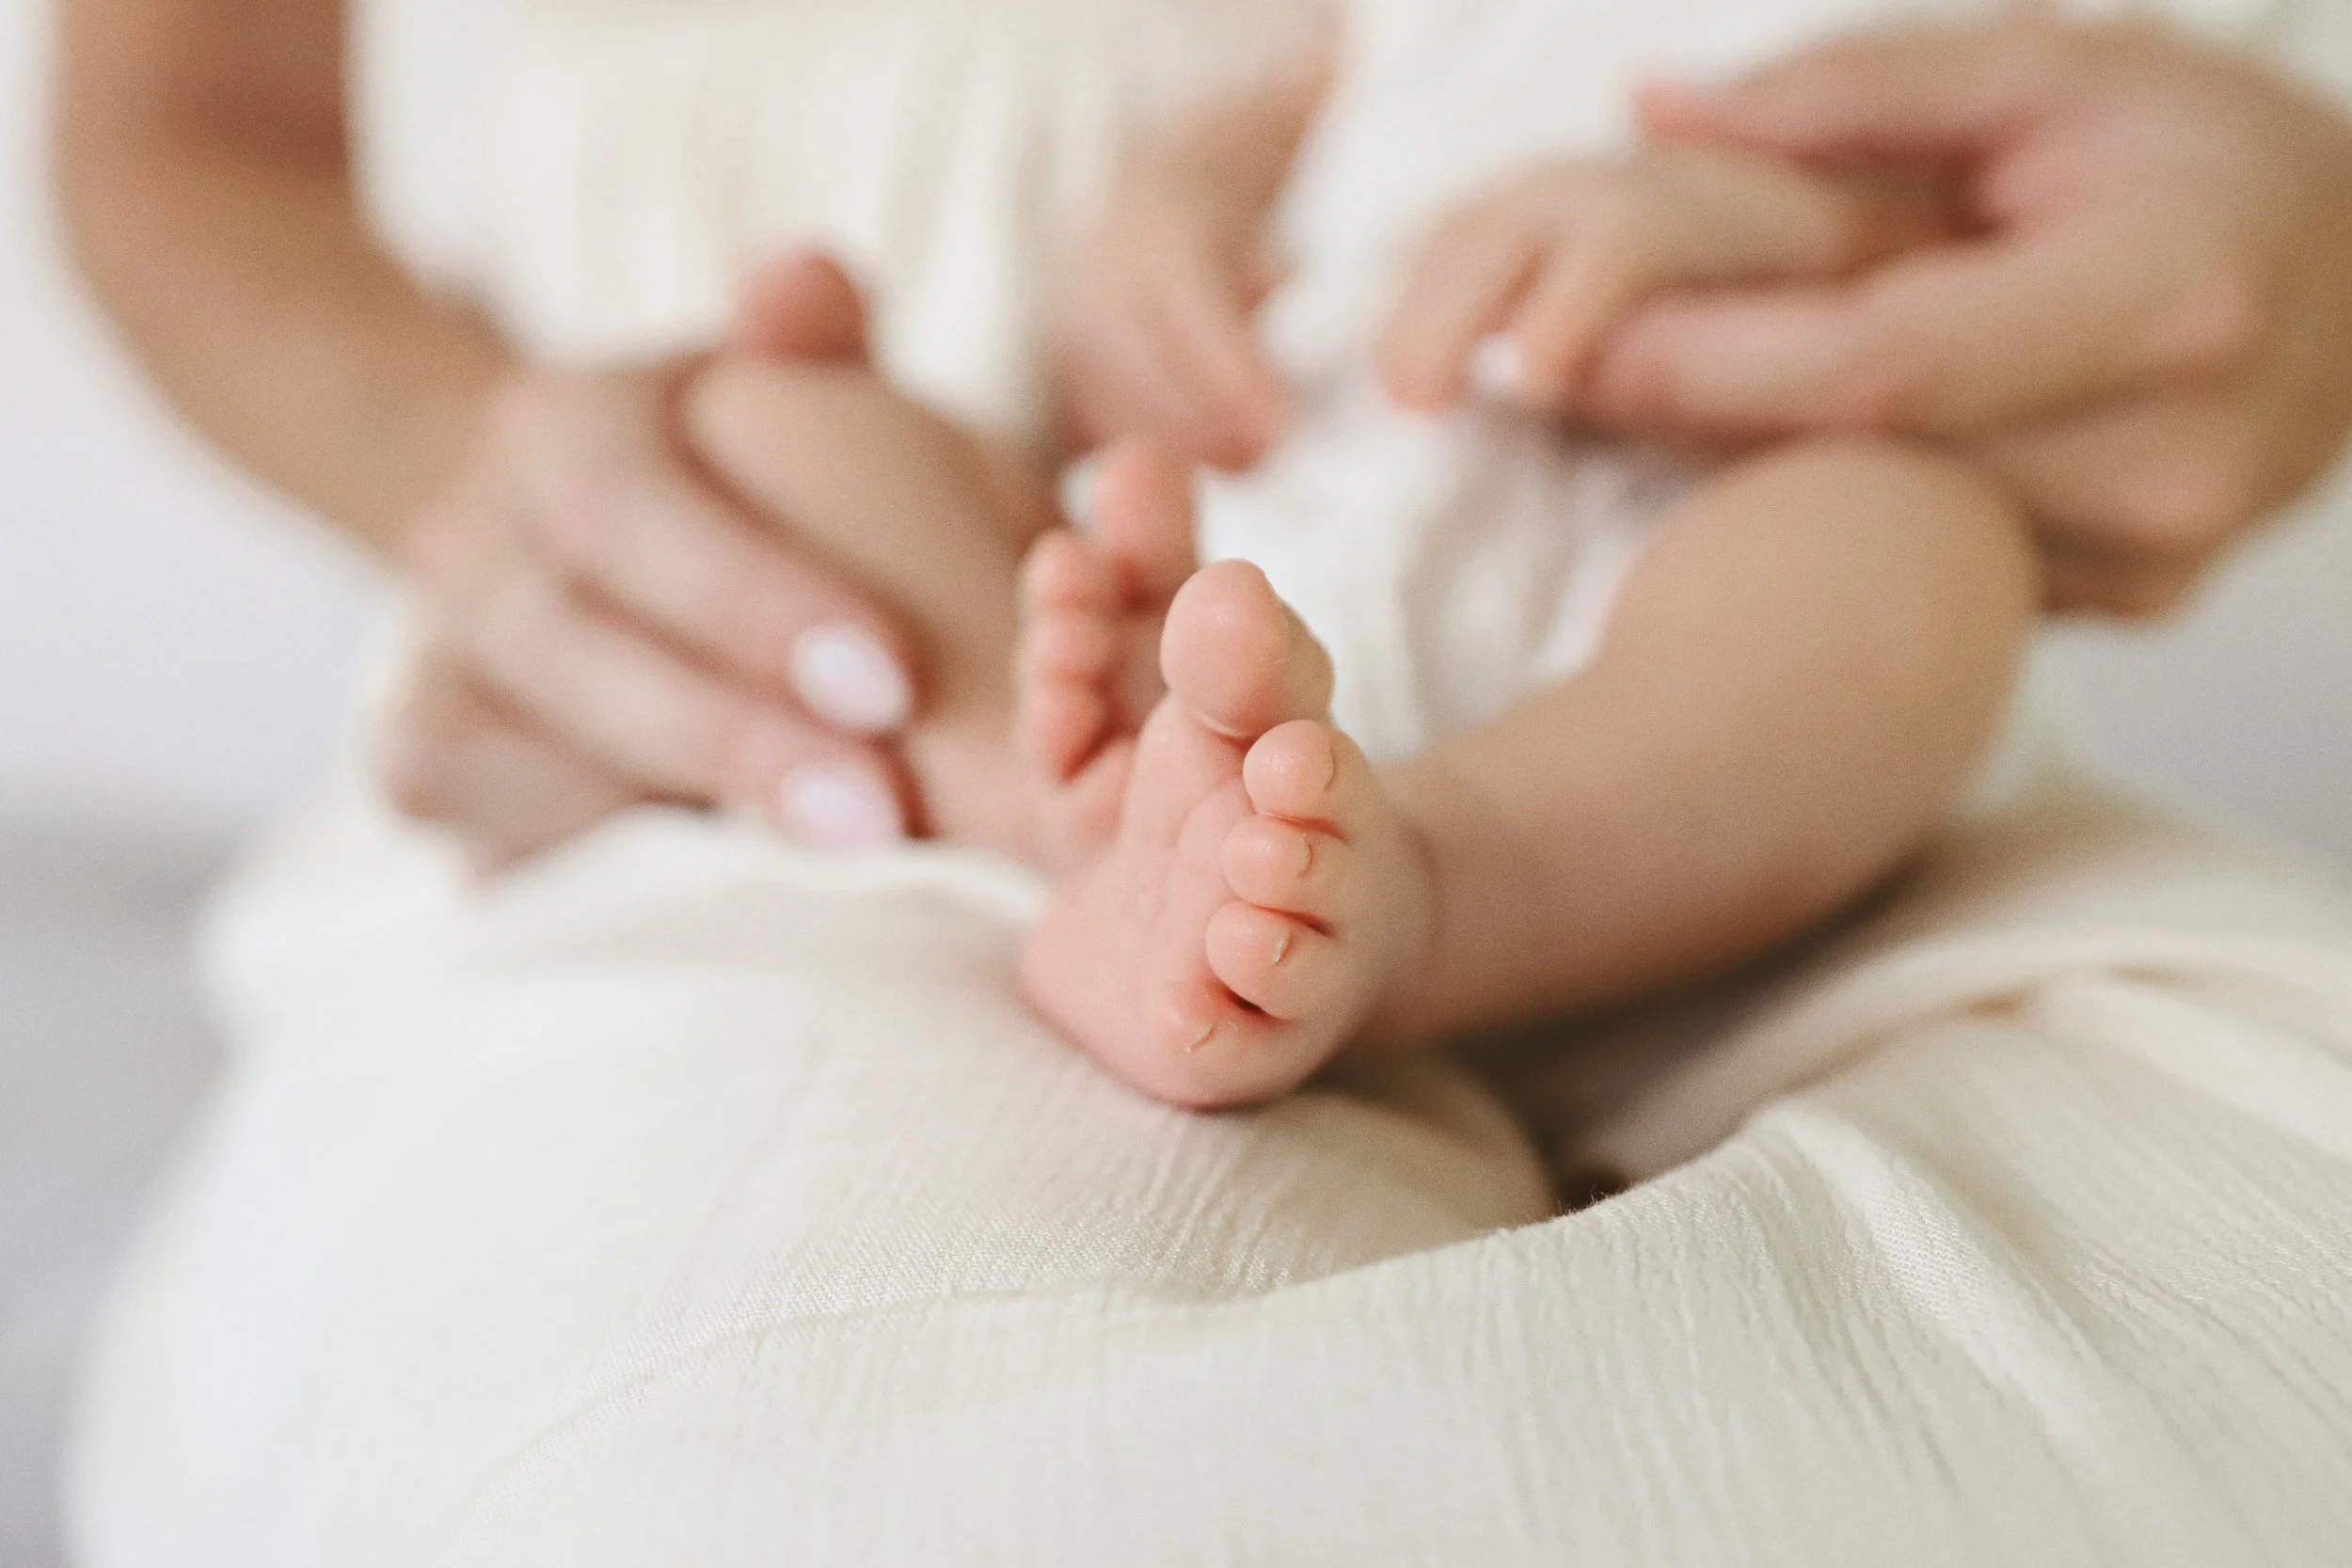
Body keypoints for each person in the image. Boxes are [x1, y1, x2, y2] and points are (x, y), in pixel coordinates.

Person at [51, 0, 2352, 1560]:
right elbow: (174, 117)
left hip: (1671, 568)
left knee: (1891, 550)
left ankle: (1446, 871)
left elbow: (1880, 173)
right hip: (1126, 544)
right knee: (786, 432)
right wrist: (1166, 233)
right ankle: (1045, 788)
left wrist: (1775, 238)